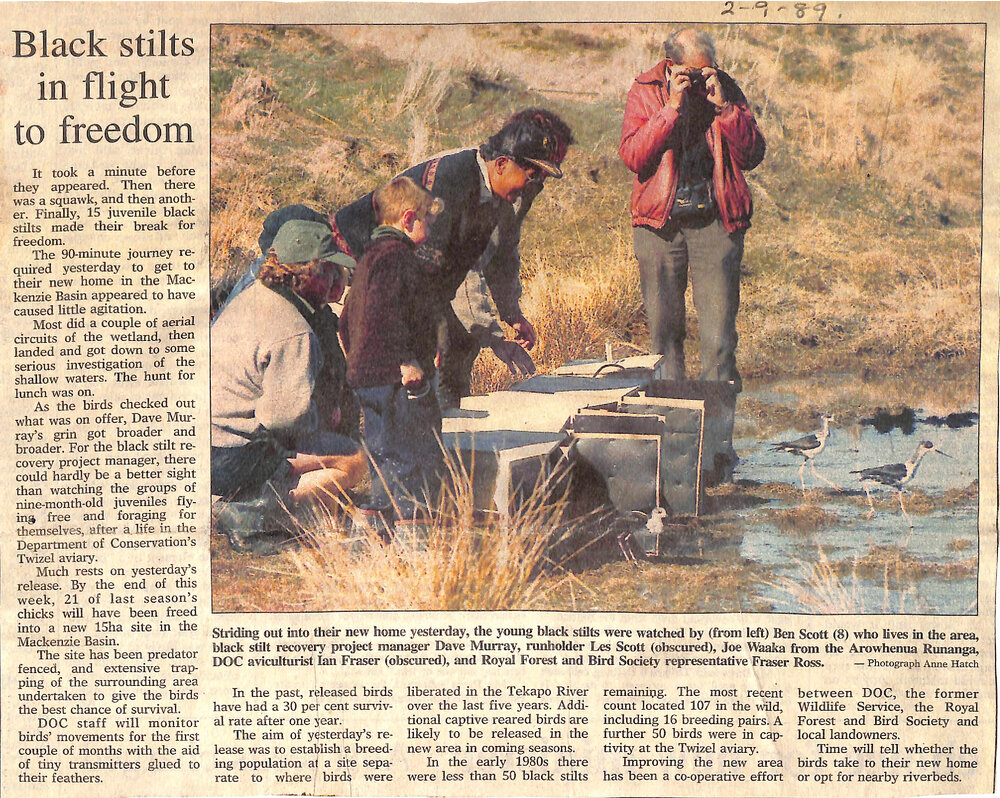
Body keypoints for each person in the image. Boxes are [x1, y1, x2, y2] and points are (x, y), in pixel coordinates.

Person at [217, 108, 574, 408]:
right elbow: (436, 277)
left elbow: (502, 254)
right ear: (501, 163)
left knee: (447, 352)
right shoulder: (451, 184)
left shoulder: (509, 196)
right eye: (532, 175)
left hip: (407, 280)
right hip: (343, 266)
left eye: (543, 178)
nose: (535, 186)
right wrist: (485, 337)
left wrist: (510, 313)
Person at [619, 28, 765, 393]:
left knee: (719, 341)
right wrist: (670, 108)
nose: (702, 80)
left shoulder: (724, 88)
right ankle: (673, 439)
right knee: (664, 341)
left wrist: (725, 108)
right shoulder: (645, 90)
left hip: (715, 224)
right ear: (671, 66)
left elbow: (752, 155)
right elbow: (634, 156)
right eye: (694, 73)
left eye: (708, 70)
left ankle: (717, 444)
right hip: (660, 227)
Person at [211, 220, 367, 555]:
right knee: (352, 458)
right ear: (308, 274)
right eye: (330, 271)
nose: (338, 283)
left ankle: (244, 499)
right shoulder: (294, 329)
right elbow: (284, 419)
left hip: (206, 445)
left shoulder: (249, 297)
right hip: (233, 455)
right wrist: (321, 417)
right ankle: (253, 511)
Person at [339, 177, 444, 540]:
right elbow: (386, 312)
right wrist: (406, 360)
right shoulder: (398, 258)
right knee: (406, 457)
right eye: (427, 222)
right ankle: (415, 549)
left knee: (383, 458)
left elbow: (345, 320)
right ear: (408, 218)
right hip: (394, 377)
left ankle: (366, 544)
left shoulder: (368, 259)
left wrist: (357, 358)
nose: (429, 230)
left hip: (368, 378)